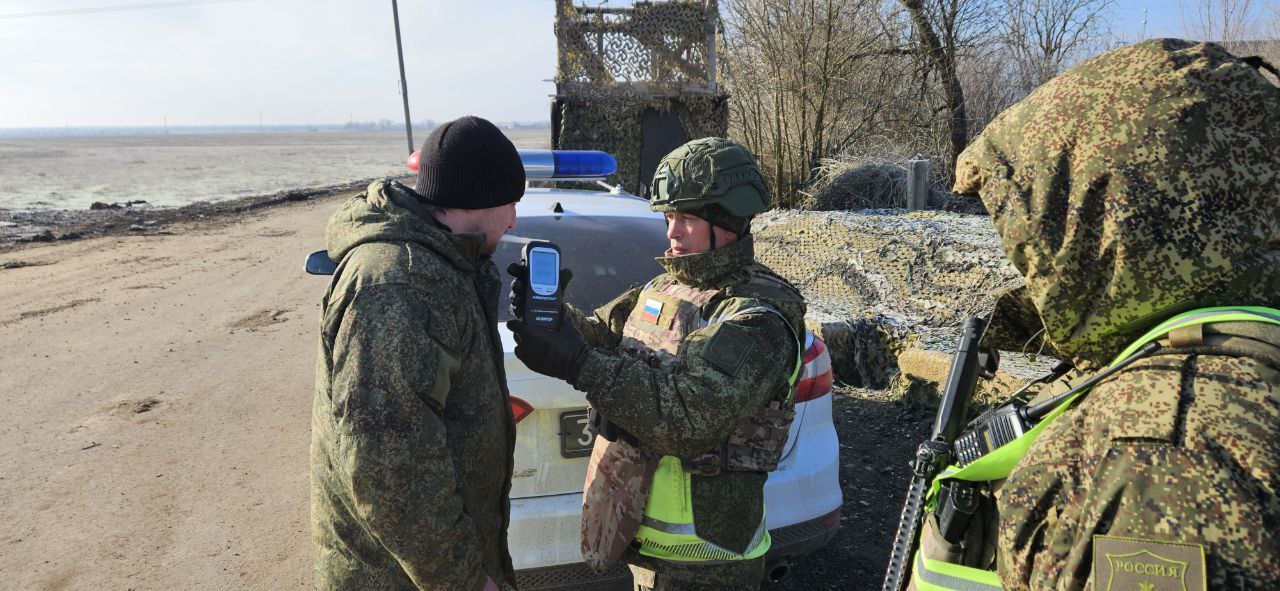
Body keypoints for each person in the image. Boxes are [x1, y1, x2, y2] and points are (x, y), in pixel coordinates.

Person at [909, 39, 1280, 590]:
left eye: (1028, 229)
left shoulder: (1154, 451)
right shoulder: (1234, 347)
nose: (1017, 256)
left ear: (1108, 221)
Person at [507, 137, 806, 591]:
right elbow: (608, 337)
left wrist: (579, 364)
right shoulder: (665, 288)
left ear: (729, 220)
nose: (672, 233)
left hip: (707, 563)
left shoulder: (756, 316)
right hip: (645, 542)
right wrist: (553, 318)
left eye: (687, 218)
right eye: (668, 217)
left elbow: (688, 417)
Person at [310, 115, 524, 591]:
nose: (513, 220)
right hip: (397, 577)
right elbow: (390, 471)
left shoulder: (445, 264)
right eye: (510, 204)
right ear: (478, 199)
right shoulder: (397, 285)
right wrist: (465, 581)